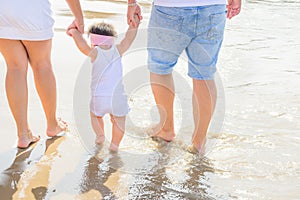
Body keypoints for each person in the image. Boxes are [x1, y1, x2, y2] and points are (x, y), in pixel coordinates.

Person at [145, 0, 242, 154]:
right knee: (204, 74)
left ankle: (166, 130)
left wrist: (131, 4)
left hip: (170, 8)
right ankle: (199, 141)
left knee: (160, 67)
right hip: (213, 8)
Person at [0, 0, 84, 148]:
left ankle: (23, 134)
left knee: (14, 68)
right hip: (33, 10)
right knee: (42, 65)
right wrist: (79, 17)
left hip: (3, 9)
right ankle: (52, 124)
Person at [67, 16, 140, 152]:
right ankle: (115, 145)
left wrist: (74, 32)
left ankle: (100, 136)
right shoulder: (119, 50)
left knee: (95, 116)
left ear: (93, 41)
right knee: (119, 122)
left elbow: (81, 45)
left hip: (99, 98)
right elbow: (129, 38)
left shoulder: (95, 52)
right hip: (118, 98)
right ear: (112, 38)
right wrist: (134, 25)